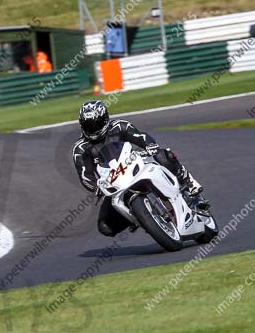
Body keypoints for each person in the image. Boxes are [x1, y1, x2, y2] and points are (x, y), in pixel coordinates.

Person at [72, 100, 207, 237]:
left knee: (163, 155)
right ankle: (139, 217)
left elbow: (140, 137)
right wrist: (96, 188)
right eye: (88, 125)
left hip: (135, 163)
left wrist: (149, 145)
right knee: (105, 227)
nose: (93, 129)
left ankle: (189, 184)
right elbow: (85, 175)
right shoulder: (81, 148)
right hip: (114, 183)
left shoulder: (119, 126)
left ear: (105, 119)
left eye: (96, 124)